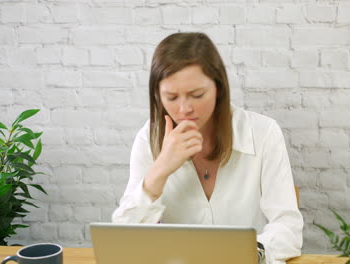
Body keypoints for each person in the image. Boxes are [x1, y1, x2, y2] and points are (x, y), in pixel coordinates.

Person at [112, 32, 303, 264]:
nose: (184, 109)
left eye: (197, 95)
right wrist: (160, 171)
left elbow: (288, 226)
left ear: (219, 89)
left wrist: (252, 254)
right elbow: (122, 242)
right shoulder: (148, 138)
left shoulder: (263, 133)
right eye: (171, 97)